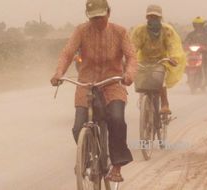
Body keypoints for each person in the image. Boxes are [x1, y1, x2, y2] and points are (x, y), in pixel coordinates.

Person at [50, 0, 137, 182]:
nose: (97, 21)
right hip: (86, 85)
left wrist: (129, 74)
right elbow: (67, 53)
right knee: (78, 126)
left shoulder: (120, 32)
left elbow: (131, 56)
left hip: (112, 84)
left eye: (100, 17)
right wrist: (59, 73)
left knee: (116, 119)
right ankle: (87, 157)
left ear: (108, 13)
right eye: (93, 18)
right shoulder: (81, 31)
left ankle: (117, 166)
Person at [131, 4, 186, 115]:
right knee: (141, 80)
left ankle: (165, 104)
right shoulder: (140, 31)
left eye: (156, 17)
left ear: (160, 18)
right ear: (147, 18)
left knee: (161, 80)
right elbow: (133, 47)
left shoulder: (167, 30)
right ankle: (144, 102)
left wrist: (173, 58)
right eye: (151, 17)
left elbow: (173, 46)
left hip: (162, 60)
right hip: (144, 60)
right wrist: (129, 59)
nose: (153, 19)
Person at [184, 17, 207, 85]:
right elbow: (186, 41)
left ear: (202, 25)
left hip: (204, 53)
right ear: (194, 25)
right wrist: (184, 46)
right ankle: (188, 74)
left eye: (199, 25)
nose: (198, 26)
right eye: (196, 25)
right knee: (185, 60)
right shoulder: (191, 34)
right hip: (193, 53)